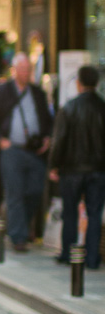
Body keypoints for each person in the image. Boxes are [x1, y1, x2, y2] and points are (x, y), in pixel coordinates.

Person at [0, 52, 54, 252]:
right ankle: (18, 237)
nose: (25, 73)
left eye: (28, 70)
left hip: (34, 151)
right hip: (11, 150)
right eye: (22, 69)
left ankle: (22, 227)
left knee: (35, 191)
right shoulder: (2, 92)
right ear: (14, 71)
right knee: (14, 193)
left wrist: (47, 137)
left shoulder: (38, 93)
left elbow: (48, 121)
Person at [48, 64, 105, 269]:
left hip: (71, 170)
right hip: (98, 170)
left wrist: (53, 165)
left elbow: (59, 140)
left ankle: (68, 254)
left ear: (79, 83)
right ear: (96, 84)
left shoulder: (69, 108)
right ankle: (92, 258)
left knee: (70, 211)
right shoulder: (102, 107)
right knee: (94, 213)